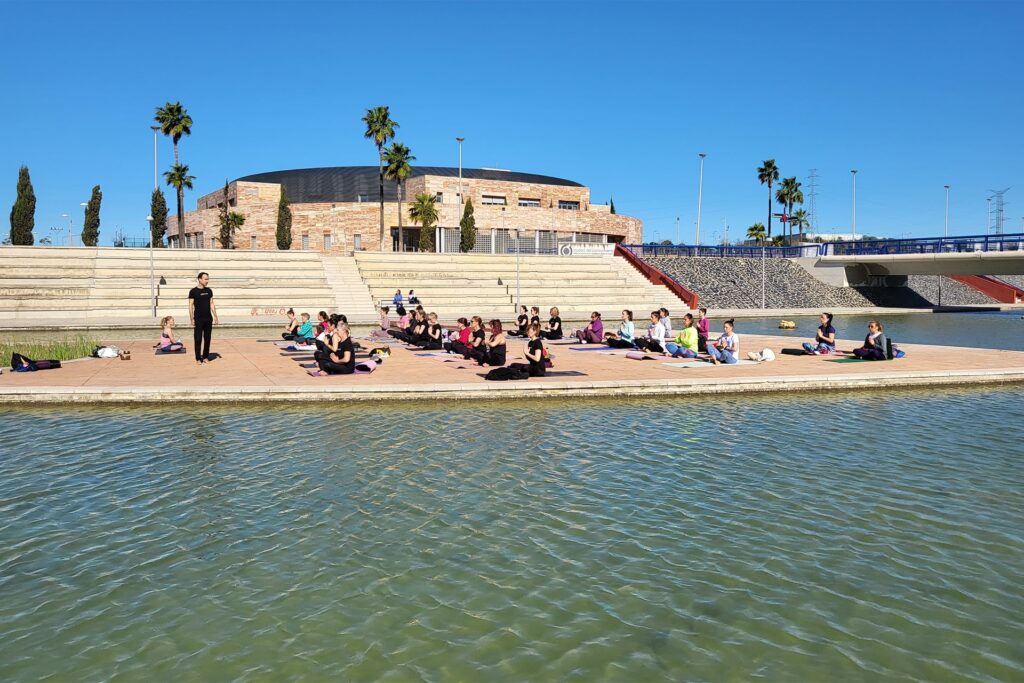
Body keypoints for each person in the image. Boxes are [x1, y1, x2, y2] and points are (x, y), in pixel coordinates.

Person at [188, 271, 218, 365]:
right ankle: (198, 358)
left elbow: (211, 303)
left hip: (208, 318)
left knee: (207, 338)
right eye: (205, 279)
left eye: (208, 279)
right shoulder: (193, 291)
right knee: (197, 339)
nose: (207, 281)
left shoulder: (209, 291)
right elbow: (190, 305)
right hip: (198, 319)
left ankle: (205, 356)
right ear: (199, 279)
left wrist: (216, 316)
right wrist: (191, 318)